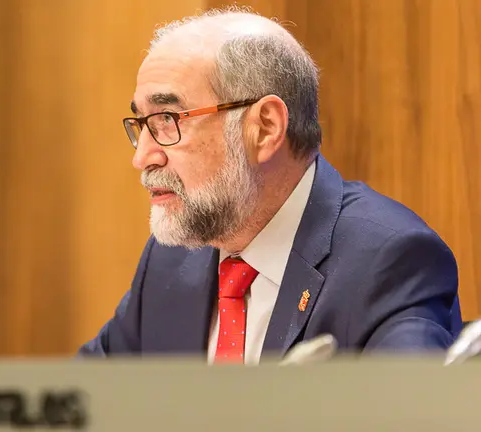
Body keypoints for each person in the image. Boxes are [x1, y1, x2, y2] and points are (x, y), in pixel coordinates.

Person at [77, 7, 463, 364]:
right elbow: (84, 404)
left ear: (265, 129)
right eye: (141, 125)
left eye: (167, 120)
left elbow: (414, 413)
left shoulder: (390, 262)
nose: (143, 156)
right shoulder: (171, 260)